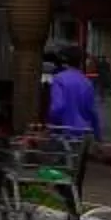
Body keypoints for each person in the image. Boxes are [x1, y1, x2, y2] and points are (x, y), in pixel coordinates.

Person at [44, 50, 102, 192]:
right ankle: (74, 206)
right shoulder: (86, 82)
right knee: (77, 176)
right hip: (82, 135)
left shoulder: (59, 79)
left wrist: (51, 124)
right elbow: (92, 111)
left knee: (60, 173)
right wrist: (98, 136)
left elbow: (58, 107)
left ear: (65, 63)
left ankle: (62, 204)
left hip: (63, 133)